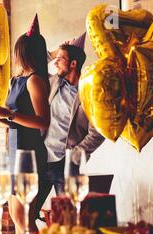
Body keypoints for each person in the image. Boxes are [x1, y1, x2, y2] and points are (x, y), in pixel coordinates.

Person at [0, 15, 50, 234]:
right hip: (14, 151)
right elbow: (13, 120)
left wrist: (10, 115)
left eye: (17, 51)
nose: (15, 56)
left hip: (29, 153)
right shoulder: (16, 80)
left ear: (24, 53)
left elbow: (43, 121)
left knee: (24, 217)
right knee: (17, 216)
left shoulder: (35, 80)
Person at [36, 33, 105, 208]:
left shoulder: (90, 92)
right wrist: (55, 53)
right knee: (26, 212)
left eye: (60, 59)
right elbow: (33, 64)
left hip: (67, 165)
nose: (55, 63)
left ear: (73, 64)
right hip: (42, 159)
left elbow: (98, 132)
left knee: (69, 216)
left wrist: (75, 154)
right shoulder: (52, 82)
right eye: (55, 59)